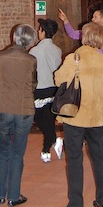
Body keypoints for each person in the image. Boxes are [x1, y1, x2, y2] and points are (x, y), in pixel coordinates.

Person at [55, 22, 103, 207]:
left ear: (84, 37)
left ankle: (76, 205)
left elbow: (58, 79)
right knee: (99, 158)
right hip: (97, 115)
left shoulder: (74, 58)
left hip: (76, 116)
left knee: (75, 159)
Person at [0, 24, 37, 206]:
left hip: (2, 107)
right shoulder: (31, 60)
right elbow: (33, 83)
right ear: (30, 41)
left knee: (2, 151)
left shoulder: (0, 56)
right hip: (24, 109)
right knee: (17, 153)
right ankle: (14, 196)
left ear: (14, 37)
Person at [29, 18, 63, 163]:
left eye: (40, 29)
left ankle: (46, 149)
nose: (38, 31)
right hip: (53, 88)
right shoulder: (57, 50)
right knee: (47, 120)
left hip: (40, 88)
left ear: (43, 31)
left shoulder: (35, 50)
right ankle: (54, 141)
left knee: (39, 119)